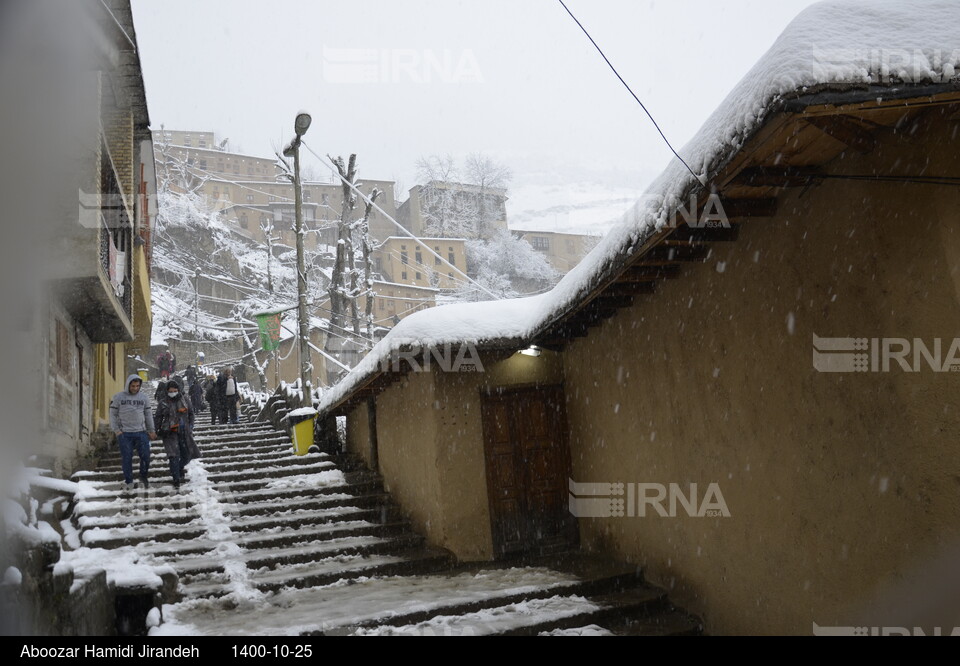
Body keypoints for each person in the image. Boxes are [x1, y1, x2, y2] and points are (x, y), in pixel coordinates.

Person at [109, 375, 157, 491]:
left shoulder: (144, 398)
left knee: (145, 457)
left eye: (137, 386)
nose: (135, 388)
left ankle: (143, 477)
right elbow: (112, 415)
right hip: (125, 434)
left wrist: (151, 430)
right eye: (133, 386)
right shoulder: (118, 397)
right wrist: (117, 430)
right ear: (128, 385)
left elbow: (148, 415)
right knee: (127, 458)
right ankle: (129, 481)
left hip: (141, 433)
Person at [153, 378, 200, 489]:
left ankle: (178, 468)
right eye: (171, 391)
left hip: (184, 432)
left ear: (178, 390)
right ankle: (176, 479)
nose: (173, 393)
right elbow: (158, 417)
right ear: (167, 391)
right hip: (169, 432)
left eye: (175, 390)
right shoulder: (163, 402)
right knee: (173, 455)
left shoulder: (185, 400)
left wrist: (191, 425)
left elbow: (191, 413)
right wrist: (155, 429)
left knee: (187, 454)